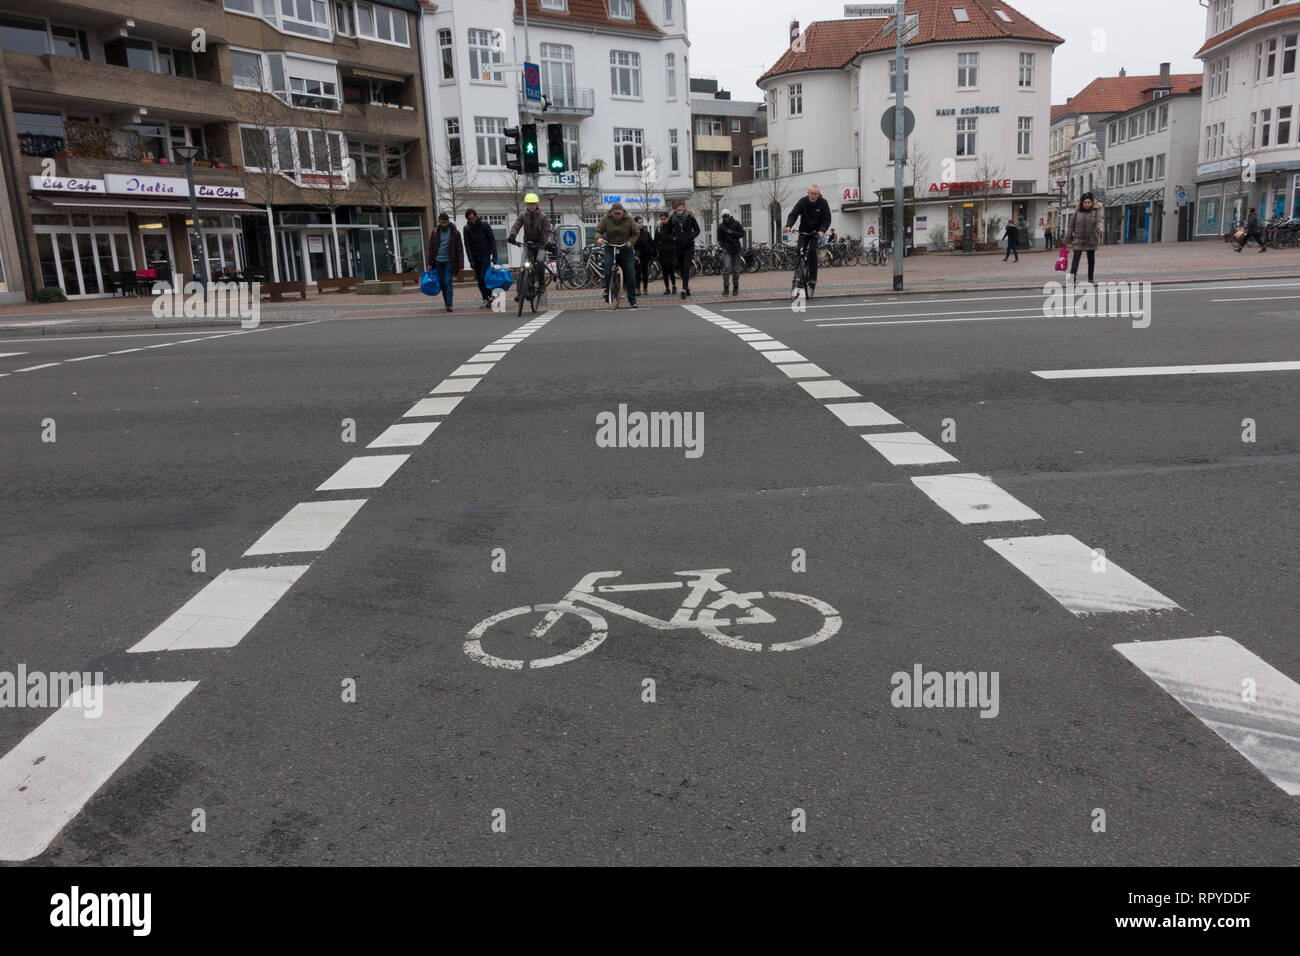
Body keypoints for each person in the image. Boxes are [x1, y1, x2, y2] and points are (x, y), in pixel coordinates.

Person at [783, 184, 832, 294]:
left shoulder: (823, 203)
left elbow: (827, 219)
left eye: (816, 194)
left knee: (812, 252)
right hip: (803, 232)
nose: (813, 196)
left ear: (818, 195)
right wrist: (789, 225)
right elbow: (793, 214)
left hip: (815, 233)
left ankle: (812, 279)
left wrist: (822, 230)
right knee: (800, 251)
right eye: (811, 194)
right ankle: (798, 274)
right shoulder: (803, 202)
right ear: (808, 194)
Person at [507, 193, 555, 294]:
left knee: (540, 261)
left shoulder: (543, 216)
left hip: (541, 245)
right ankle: (521, 293)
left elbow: (548, 231)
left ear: (536, 204)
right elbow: (516, 226)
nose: (531, 206)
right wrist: (512, 235)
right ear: (527, 205)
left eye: (533, 204)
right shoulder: (523, 216)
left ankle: (541, 284)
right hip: (528, 245)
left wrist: (549, 242)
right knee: (523, 266)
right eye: (529, 204)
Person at [594, 201, 639, 308]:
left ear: (622, 212)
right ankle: (608, 291)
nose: (617, 215)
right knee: (608, 267)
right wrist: (599, 238)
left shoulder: (629, 219)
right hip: (610, 246)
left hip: (625, 248)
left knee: (630, 273)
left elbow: (636, 233)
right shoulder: (606, 218)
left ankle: (632, 300)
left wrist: (630, 242)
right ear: (612, 212)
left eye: (619, 213)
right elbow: (598, 230)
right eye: (615, 213)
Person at [426, 212, 463, 313]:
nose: (444, 224)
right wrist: (429, 263)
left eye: (446, 222)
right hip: (438, 262)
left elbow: (459, 249)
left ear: (448, 221)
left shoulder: (455, 232)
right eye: (442, 222)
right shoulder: (435, 232)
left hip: (449, 262)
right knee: (442, 283)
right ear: (439, 222)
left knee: (448, 282)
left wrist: (461, 265)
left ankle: (450, 304)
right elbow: (431, 248)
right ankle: (446, 303)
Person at [462, 208, 497, 309]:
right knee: (479, 280)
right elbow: (467, 246)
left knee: (483, 277)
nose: (472, 220)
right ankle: (486, 299)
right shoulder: (467, 229)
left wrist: (494, 256)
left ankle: (490, 297)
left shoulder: (484, 225)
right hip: (475, 257)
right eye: (470, 219)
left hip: (486, 255)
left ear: (476, 216)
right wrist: (470, 260)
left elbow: (492, 240)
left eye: (473, 218)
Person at [666, 199, 700, 299]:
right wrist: (673, 238)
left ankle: (684, 289)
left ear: (684, 208)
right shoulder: (672, 219)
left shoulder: (690, 218)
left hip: (689, 246)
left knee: (686, 267)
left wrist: (691, 236)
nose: (680, 212)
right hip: (678, 246)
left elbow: (697, 230)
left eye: (681, 209)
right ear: (675, 210)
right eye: (678, 210)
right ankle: (687, 287)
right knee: (681, 268)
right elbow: (667, 232)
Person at [1064, 192, 1101, 283]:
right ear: (1082, 203)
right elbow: (1071, 226)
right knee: (1075, 260)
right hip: (1078, 239)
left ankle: (1090, 278)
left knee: (1091, 261)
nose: (1087, 204)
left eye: (1089, 202)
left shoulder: (1095, 212)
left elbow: (1099, 222)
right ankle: (1072, 279)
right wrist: (1066, 239)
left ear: (1092, 203)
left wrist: (1100, 227)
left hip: (1091, 239)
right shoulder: (1077, 212)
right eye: (1085, 202)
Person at [717, 208, 746, 296]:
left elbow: (742, 233)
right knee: (726, 268)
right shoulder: (721, 226)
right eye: (723, 217)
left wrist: (732, 232)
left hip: (736, 249)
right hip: (727, 250)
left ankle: (735, 288)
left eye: (726, 216)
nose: (725, 218)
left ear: (729, 215)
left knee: (736, 270)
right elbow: (719, 238)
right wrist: (723, 247)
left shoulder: (736, 223)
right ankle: (726, 288)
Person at [656, 211, 676, 295]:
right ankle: (667, 288)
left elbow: (674, 238)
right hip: (662, 253)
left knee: (670, 270)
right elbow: (656, 240)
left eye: (664, 219)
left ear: (668, 218)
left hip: (670, 252)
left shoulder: (672, 228)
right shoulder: (659, 228)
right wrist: (657, 248)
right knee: (664, 271)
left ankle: (674, 286)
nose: (663, 221)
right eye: (661, 219)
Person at [633, 215, 654, 296]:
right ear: (635, 224)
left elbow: (651, 243)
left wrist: (651, 252)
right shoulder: (633, 234)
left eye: (642, 222)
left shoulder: (646, 233)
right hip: (637, 256)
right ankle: (638, 289)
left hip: (645, 256)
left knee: (645, 272)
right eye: (639, 223)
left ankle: (645, 288)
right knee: (637, 273)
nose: (641, 224)